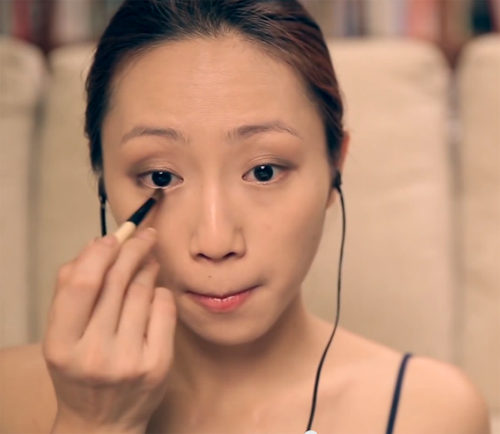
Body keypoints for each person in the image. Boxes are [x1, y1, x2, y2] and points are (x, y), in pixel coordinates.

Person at [29, 1, 493, 433]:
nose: (215, 241)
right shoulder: (12, 396)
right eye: (161, 177)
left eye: (264, 171)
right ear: (103, 178)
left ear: (335, 167)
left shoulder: (429, 413)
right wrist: (92, 422)